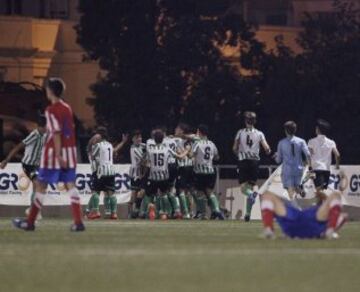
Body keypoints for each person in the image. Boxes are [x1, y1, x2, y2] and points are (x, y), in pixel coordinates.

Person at [13, 77, 85, 231]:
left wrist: (58, 155)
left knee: (40, 185)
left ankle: (30, 222)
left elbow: (57, 133)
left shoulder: (51, 110)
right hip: (70, 151)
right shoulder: (67, 107)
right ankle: (78, 222)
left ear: (50, 91)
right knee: (70, 185)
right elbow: (68, 131)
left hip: (54, 154)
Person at [1, 115, 47, 219]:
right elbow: (18, 146)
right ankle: (33, 210)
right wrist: (6, 160)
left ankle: (33, 210)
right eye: (46, 127)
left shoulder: (45, 135)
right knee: (37, 183)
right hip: (28, 165)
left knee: (41, 186)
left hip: (38, 165)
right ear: (41, 127)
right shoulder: (34, 135)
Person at [260, 189, 347, 239]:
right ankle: (330, 231)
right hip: (315, 223)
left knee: (267, 195)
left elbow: (342, 216)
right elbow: (342, 216)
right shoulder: (323, 213)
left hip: (292, 223)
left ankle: (268, 230)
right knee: (336, 195)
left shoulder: (319, 211)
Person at [232, 111, 271, 221]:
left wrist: (238, 154)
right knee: (249, 186)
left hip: (244, 161)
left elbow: (234, 148)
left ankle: (251, 194)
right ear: (255, 121)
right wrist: (268, 152)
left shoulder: (240, 132)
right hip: (255, 162)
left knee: (244, 189)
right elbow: (267, 148)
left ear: (245, 121)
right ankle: (248, 213)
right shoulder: (259, 133)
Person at [144, 129, 188, 220]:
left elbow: (146, 163)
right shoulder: (166, 149)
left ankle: (151, 208)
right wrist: (187, 150)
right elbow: (179, 157)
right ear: (163, 139)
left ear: (154, 139)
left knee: (150, 195)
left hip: (153, 176)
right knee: (164, 194)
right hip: (164, 176)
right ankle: (164, 213)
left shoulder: (150, 149)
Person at [192, 124, 224, 220]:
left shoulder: (197, 143)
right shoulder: (212, 144)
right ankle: (217, 210)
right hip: (210, 171)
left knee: (200, 193)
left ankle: (203, 214)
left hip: (200, 172)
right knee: (210, 192)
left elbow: (191, 155)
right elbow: (217, 157)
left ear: (200, 132)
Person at [275, 121, 311, 200]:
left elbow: (278, 160)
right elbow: (308, 154)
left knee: (290, 191)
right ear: (295, 130)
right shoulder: (301, 141)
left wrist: (275, 156)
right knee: (296, 186)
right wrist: (310, 166)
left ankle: (295, 205)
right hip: (299, 169)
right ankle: (300, 190)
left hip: (287, 170)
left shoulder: (281, 143)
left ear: (285, 130)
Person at [308, 119, 341, 203]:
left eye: (316, 128)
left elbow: (309, 155)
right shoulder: (331, 142)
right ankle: (319, 212)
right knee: (319, 192)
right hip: (326, 170)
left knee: (319, 192)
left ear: (318, 129)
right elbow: (337, 155)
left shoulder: (311, 141)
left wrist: (309, 167)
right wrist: (337, 166)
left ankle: (332, 204)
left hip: (316, 169)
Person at [90, 127, 118, 219]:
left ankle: (96, 211)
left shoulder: (98, 145)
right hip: (111, 170)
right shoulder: (110, 145)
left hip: (101, 171)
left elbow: (92, 156)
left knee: (95, 191)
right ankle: (114, 213)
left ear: (100, 135)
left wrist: (93, 145)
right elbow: (113, 154)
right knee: (111, 192)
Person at [174, 123, 193, 219]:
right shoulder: (190, 140)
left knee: (181, 190)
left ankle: (186, 213)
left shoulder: (178, 140)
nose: (175, 129)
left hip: (183, 167)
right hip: (190, 167)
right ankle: (190, 212)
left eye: (177, 128)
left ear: (181, 130)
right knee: (188, 191)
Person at [127, 130, 146, 218]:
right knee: (134, 194)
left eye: (140, 137)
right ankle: (130, 213)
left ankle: (138, 211)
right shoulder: (133, 148)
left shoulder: (143, 145)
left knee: (142, 192)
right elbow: (142, 160)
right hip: (135, 174)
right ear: (133, 139)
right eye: (137, 137)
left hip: (142, 173)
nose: (139, 139)